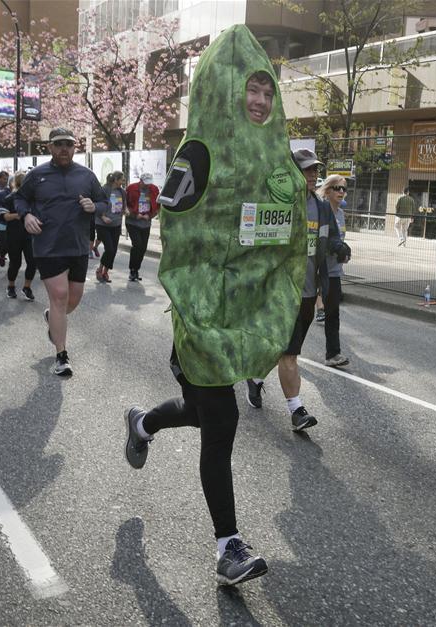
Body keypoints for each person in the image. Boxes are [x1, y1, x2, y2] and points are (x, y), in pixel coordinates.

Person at [123, 39, 310, 587]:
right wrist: (200, 292)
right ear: (225, 90)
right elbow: (176, 227)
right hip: (201, 319)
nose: (258, 100)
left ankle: (144, 421)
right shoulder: (197, 152)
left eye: (265, 89)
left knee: (204, 412)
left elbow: (280, 231)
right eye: (249, 88)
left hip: (241, 314)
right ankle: (228, 547)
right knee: (222, 420)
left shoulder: (272, 156)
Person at [245, 148, 349, 429]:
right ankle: (297, 410)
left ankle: (255, 378)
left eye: (315, 170)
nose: (313, 175)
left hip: (308, 291)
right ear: (291, 172)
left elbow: (331, 239)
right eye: (307, 170)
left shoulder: (322, 207)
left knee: (282, 349)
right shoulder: (278, 203)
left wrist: (340, 247)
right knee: (289, 354)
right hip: (281, 291)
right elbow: (254, 237)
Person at [14, 127, 109, 376]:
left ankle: (53, 319)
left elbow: (104, 203)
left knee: (72, 300)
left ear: (75, 147)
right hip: (48, 246)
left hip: (77, 246)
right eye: (58, 144)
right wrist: (26, 216)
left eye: (69, 144)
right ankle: (61, 355)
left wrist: (93, 206)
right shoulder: (37, 175)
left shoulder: (86, 176)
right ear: (50, 147)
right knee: (59, 296)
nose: (64, 148)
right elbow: (20, 199)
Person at [317, 174, 350, 367]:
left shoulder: (341, 214)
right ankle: (288, 354)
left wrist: (344, 252)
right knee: (301, 315)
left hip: (334, 271)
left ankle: (333, 354)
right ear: (328, 190)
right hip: (316, 270)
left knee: (332, 313)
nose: (341, 192)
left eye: (344, 189)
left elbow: (340, 240)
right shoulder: (321, 210)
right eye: (337, 188)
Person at [0, 171, 36, 301]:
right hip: (14, 235)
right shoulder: (9, 198)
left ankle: (27, 287)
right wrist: (18, 215)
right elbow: (4, 217)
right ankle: (11, 286)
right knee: (15, 263)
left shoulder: (32, 199)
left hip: (29, 235)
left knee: (32, 261)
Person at [124, 173, 159, 282]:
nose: (148, 185)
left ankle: (136, 269)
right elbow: (125, 204)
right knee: (137, 245)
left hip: (146, 223)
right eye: (145, 183)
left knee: (143, 248)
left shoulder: (154, 189)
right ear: (141, 180)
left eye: (149, 183)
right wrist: (134, 215)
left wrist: (150, 215)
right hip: (133, 222)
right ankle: (132, 270)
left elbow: (158, 205)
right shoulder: (131, 188)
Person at [95, 171, 126, 283]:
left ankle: (105, 271)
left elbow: (123, 206)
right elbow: (97, 205)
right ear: (116, 180)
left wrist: (125, 211)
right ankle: (99, 269)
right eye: (122, 179)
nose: (123, 181)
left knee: (113, 251)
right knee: (109, 249)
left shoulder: (122, 192)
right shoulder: (104, 190)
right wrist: (103, 217)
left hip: (116, 224)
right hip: (103, 224)